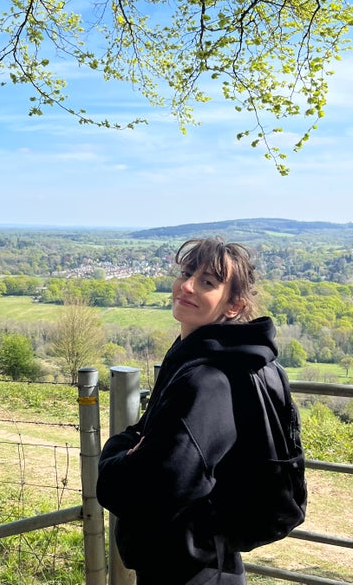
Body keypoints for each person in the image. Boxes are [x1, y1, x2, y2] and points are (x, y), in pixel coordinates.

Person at [96, 236, 287, 585]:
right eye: (186, 273)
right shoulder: (200, 357)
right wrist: (136, 446)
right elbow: (151, 438)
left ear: (234, 305)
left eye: (207, 282)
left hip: (187, 570)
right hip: (206, 560)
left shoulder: (207, 381)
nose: (186, 286)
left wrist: (112, 457)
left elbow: (146, 489)